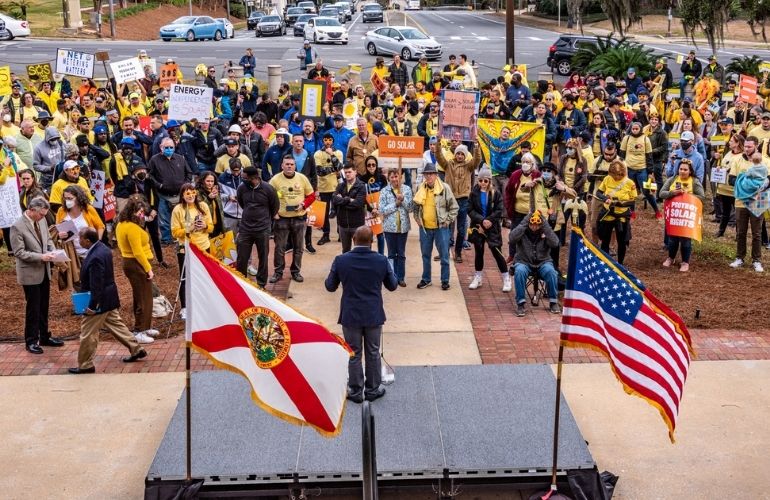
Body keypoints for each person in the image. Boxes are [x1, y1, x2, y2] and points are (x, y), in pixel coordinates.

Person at [324, 226, 398, 404]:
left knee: (354, 353)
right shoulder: (380, 260)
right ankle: (372, 389)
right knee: (373, 351)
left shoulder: (341, 260)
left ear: (354, 239)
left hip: (351, 314)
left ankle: (356, 391)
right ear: (372, 241)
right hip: (373, 313)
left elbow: (330, 286)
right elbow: (393, 285)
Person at [68, 227, 148, 374]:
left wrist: (93, 305)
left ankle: (85, 364)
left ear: (87, 240)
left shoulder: (95, 257)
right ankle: (136, 349)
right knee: (116, 324)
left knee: (87, 333)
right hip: (109, 297)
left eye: (80, 239)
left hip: (100, 301)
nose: (79, 242)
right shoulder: (103, 248)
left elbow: (96, 284)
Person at [11, 196, 65, 354]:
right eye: (41, 214)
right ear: (32, 210)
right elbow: (19, 252)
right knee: (33, 308)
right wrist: (41, 257)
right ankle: (31, 340)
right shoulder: (17, 227)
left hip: (44, 270)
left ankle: (44, 336)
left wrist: (52, 250)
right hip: (30, 273)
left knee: (44, 306)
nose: (43, 217)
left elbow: (47, 239)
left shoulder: (41, 221)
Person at [115, 197, 157, 344]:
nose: (141, 215)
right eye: (139, 212)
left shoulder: (121, 224)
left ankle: (145, 326)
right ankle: (139, 330)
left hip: (131, 262)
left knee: (146, 297)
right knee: (142, 298)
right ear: (132, 211)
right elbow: (137, 251)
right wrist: (148, 268)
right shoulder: (131, 228)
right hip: (136, 264)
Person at [412, 163, 459, 290]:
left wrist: (447, 221)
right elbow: (415, 206)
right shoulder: (420, 188)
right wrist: (417, 219)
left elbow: (454, 208)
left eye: (431, 173)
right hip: (425, 228)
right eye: (426, 174)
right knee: (425, 255)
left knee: (444, 255)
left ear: (436, 175)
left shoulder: (444, 188)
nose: (429, 176)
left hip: (441, 228)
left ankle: (445, 280)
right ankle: (426, 279)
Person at [171, 183, 214, 319]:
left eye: (192, 192)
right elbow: (174, 232)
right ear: (182, 195)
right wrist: (189, 228)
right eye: (187, 193)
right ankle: (184, 307)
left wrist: (205, 225)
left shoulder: (203, 206)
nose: (190, 196)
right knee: (185, 277)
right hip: (186, 247)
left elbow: (211, 227)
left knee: (204, 276)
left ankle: (204, 303)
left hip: (203, 246)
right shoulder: (178, 209)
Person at [269, 155, 314, 283]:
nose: (289, 166)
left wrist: (303, 204)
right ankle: (278, 272)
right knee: (280, 248)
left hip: (299, 218)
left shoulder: (302, 178)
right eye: (287, 164)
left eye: (291, 164)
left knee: (299, 247)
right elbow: (269, 197)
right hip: (281, 219)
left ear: (295, 166)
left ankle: (296, 272)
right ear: (282, 165)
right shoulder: (275, 180)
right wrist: (274, 212)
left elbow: (311, 196)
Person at [436, 141, 482, 263]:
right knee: (446, 227)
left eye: (462, 154)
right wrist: (438, 144)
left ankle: (458, 252)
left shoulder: (469, 166)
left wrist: (477, 147)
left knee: (461, 229)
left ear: (465, 155)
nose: (460, 156)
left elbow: (477, 159)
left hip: (463, 200)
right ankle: (443, 253)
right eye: (458, 153)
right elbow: (439, 156)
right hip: (450, 200)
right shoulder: (448, 164)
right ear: (455, 154)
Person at [467, 166, 510, 292]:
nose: (483, 183)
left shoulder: (495, 193)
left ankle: (506, 278)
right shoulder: (473, 193)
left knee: (497, 252)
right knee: (478, 252)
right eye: (480, 180)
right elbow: (470, 209)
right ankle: (478, 276)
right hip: (478, 226)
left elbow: (499, 209)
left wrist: (490, 220)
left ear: (490, 181)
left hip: (492, 227)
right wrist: (481, 220)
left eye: (486, 181)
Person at [509, 210, 560, 316]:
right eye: (532, 224)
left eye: (537, 224)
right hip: (524, 261)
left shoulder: (545, 231)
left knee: (551, 272)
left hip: (543, 262)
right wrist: (526, 220)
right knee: (519, 271)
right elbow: (512, 238)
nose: (534, 227)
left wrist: (545, 224)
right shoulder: (522, 230)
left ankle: (553, 302)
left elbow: (555, 243)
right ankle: (521, 303)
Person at [236, 166, 279, 287]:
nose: (242, 179)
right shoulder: (242, 188)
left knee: (263, 258)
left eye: (244, 178)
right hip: (245, 229)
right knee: (242, 258)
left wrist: (265, 220)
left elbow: (274, 207)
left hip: (263, 229)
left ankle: (261, 284)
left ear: (253, 178)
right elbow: (242, 203)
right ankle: (242, 284)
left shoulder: (268, 189)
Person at [659, 159, 706, 272]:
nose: (682, 171)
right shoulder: (672, 179)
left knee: (685, 239)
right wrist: (672, 193)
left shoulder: (694, 181)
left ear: (690, 171)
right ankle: (671, 258)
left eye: (685, 169)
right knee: (672, 238)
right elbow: (661, 193)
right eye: (680, 169)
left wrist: (688, 196)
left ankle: (685, 262)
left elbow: (702, 197)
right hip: (674, 215)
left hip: (687, 216)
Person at [148, 137, 194, 244]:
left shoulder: (180, 158)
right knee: (164, 219)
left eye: (171, 147)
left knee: (182, 216)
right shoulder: (154, 160)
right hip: (163, 194)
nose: (169, 149)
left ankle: (182, 236)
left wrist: (185, 184)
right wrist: (159, 185)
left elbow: (189, 173)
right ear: (161, 147)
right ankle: (166, 239)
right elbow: (149, 175)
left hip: (180, 194)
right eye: (166, 147)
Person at [595, 159, 637, 265]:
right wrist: (605, 198)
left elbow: (632, 201)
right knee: (605, 239)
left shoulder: (629, 183)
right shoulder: (607, 179)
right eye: (614, 175)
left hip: (622, 216)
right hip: (608, 213)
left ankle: (620, 264)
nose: (616, 177)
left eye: (618, 175)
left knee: (621, 241)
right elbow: (599, 192)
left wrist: (621, 204)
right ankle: (605, 263)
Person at [380, 167, 413, 287]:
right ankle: (392, 277)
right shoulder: (384, 191)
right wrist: (395, 204)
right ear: (388, 178)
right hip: (389, 228)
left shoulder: (407, 189)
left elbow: (410, 208)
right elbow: (382, 210)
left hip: (403, 227)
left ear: (400, 177)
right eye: (392, 177)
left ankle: (401, 277)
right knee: (391, 253)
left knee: (401, 253)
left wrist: (403, 200)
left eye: (396, 176)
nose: (394, 179)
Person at [314, 132, 343, 246]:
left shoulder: (338, 152)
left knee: (339, 212)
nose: (328, 142)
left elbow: (340, 167)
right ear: (323, 141)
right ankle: (326, 235)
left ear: (333, 141)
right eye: (325, 140)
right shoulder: (318, 154)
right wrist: (333, 170)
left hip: (337, 187)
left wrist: (331, 154)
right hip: (323, 187)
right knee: (324, 214)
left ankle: (341, 234)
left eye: (330, 140)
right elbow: (320, 171)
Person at [332, 163, 367, 253]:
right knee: (345, 251)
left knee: (359, 251)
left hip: (357, 225)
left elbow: (358, 204)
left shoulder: (361, 186)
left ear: (355, 172)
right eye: (346, 172)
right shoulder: (341, 186)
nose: (347, 174)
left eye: (349, 172)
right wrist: (348, 199)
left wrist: (342, 200)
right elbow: (334, 200)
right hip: (343, 225)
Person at [196, 171, 225, 240]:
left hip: (217, 224)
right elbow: (200, 208)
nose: (210, 183)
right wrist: (209, 198)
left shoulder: (215, 191)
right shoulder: (197, 192)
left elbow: (220, 209)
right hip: (206, 225)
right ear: (202, 181)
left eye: (212, 181)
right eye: (208, 181)